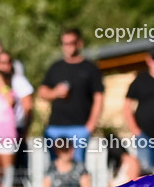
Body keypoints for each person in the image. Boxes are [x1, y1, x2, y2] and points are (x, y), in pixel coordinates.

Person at [38, 29, 104, 163]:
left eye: (72, 43)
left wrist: (91, 125)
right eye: (65, 43)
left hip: (80, 127)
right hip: (55, 127)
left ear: (79, 43)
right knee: (55, 167)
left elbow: (99, 97)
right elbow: (42, 91)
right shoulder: (56, 67)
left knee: (77, 167)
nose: (68, 46)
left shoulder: (90, 68)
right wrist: (55, 92)